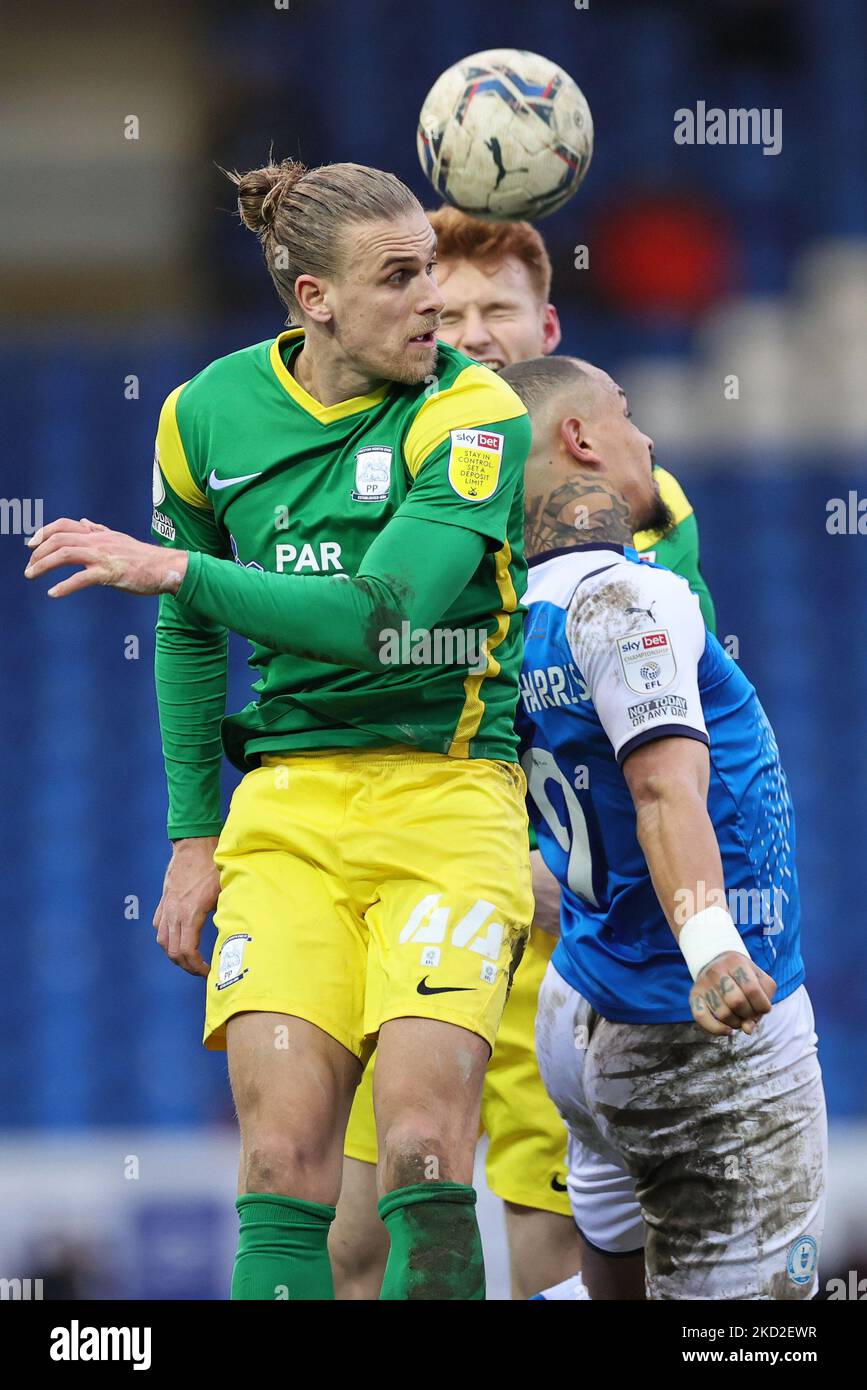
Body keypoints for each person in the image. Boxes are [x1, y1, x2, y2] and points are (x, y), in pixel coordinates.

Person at [24, 158, 537, 1301]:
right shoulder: (203, 416)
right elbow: (189, 635)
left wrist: (178, 569)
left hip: (447, 799)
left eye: (436, 275)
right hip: (289, 813)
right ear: (315, 300)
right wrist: (192, 835)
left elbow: (385, 613)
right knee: (279, 1157)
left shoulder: (472, 410)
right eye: (400, 278)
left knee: (417, 1142)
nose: (435, 304)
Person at [331, 208, 716, 1300]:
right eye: (446, 312)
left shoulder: (635, 503)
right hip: (419, 884)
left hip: (560, 922)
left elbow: (664, 713)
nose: (474, 330)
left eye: (497, 309)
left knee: (561, 1244)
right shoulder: (394, 476)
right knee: (359, 1237)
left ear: (544, 324)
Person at [503, 353, 827, 1300]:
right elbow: (659, 791)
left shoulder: (512, 613)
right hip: (693, 1032)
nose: (646, 438)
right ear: (580, 439)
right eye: (626, 414)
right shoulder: (621, 597)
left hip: (579, 1007)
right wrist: (712, 945)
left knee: (618, 1286)